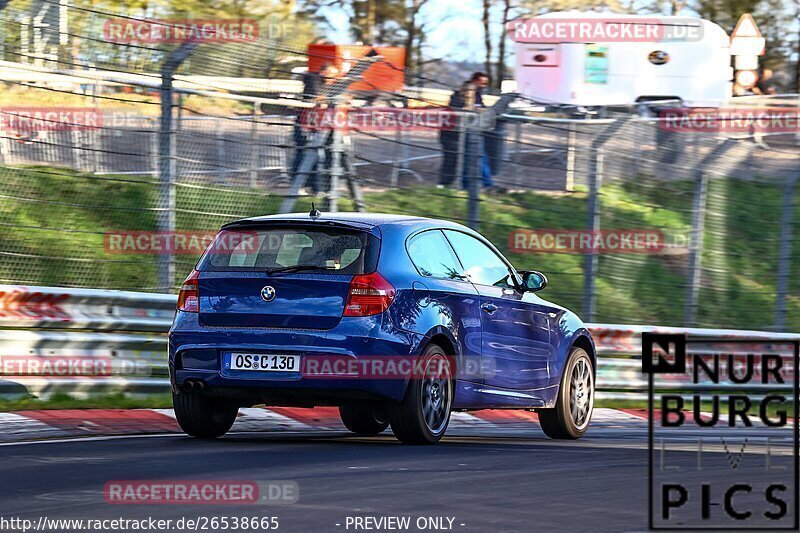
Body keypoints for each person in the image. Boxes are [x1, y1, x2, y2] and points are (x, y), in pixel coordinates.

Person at [438, 72, 496, 191]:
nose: (483, 86)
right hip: (452, 134)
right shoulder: (457, 96)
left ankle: (479, 185)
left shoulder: (478, 95)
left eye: (485, 84)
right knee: (451, 159)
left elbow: (482, 108)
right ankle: (443, 184)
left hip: (469, 133)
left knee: (478, 157)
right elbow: (456, 110)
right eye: (481, 83)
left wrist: (482, 111)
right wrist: (471, 109)